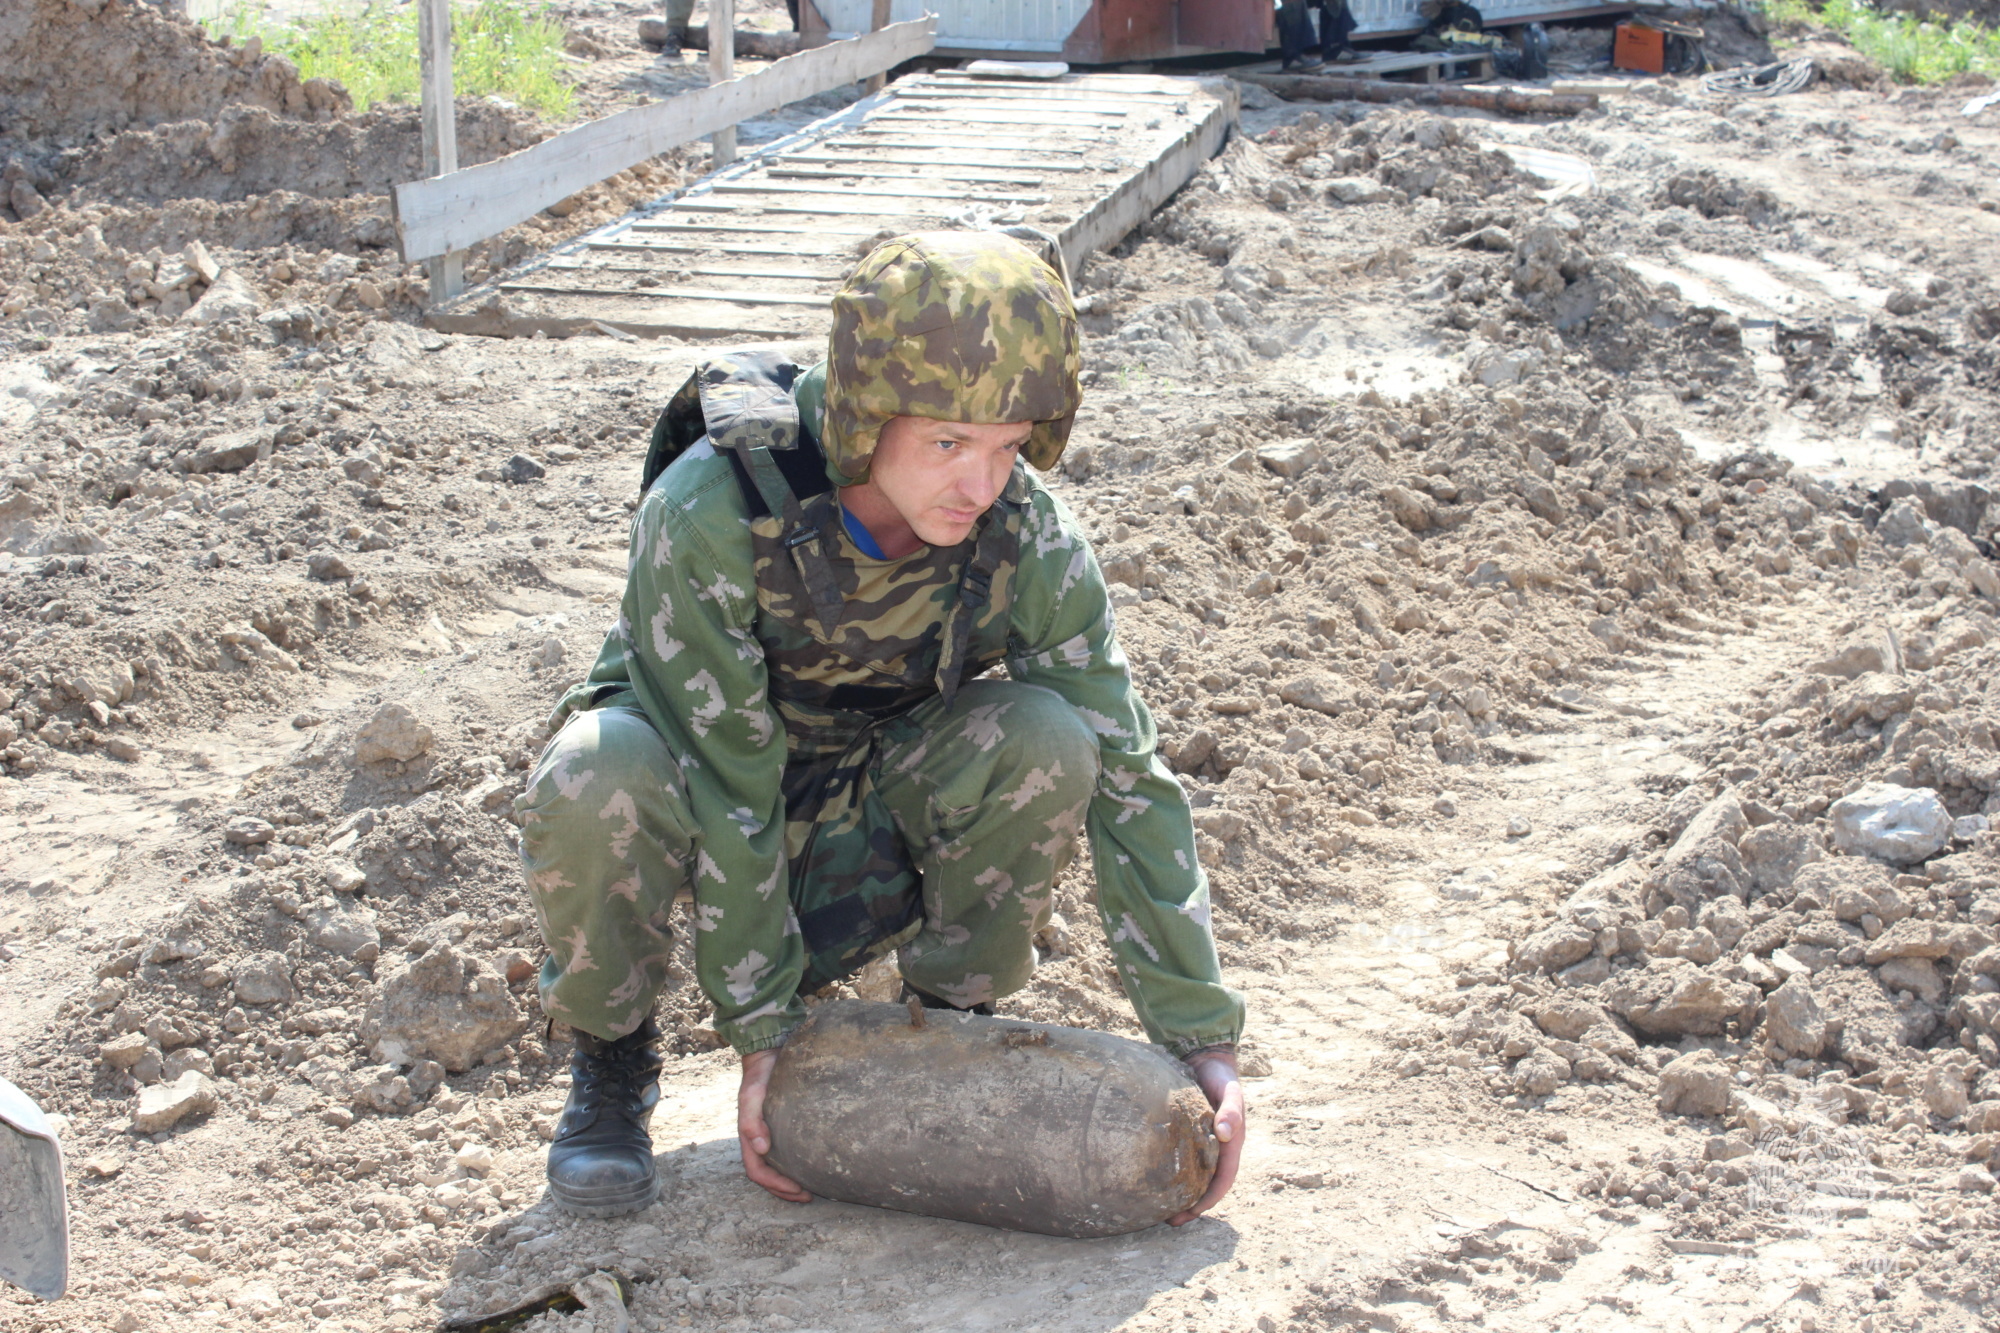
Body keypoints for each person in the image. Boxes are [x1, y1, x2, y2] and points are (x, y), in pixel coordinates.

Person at [515, 231, 1247, 1225]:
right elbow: (731, 780)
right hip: (704, 801)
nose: (979, 485)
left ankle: (946, 1025)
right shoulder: (712, 509)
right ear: (865, 419)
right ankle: (610, 1057)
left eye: (1006, 446)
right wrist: (762, 1032)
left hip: (864, 808)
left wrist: (1199, 1032)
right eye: (947, 442)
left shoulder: (1022, 533)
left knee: (1045, 736)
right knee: (590, 770)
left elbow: (1127, 769)